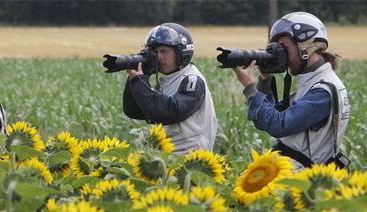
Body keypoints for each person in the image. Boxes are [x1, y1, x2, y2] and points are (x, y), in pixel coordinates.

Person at [233, 11, 350, 168]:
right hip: (291, 169)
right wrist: (265, 79)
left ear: (306, 46)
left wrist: (249, 87)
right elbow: (267, 119)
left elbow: (278, 125)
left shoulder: (323, 90)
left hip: (299, 178)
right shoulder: (315, 81)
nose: (281, 55)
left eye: (283, 47)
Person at [122, 23, 217, 153]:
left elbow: (170, 112)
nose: (159, 57)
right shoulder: (168, 81)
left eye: (164, 51)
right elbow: (134, 111)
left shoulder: (191, 79)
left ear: (181, 53)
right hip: (167, 158)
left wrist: (139, 82)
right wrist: (135, 78)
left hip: (191, 161)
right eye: (154, 52)